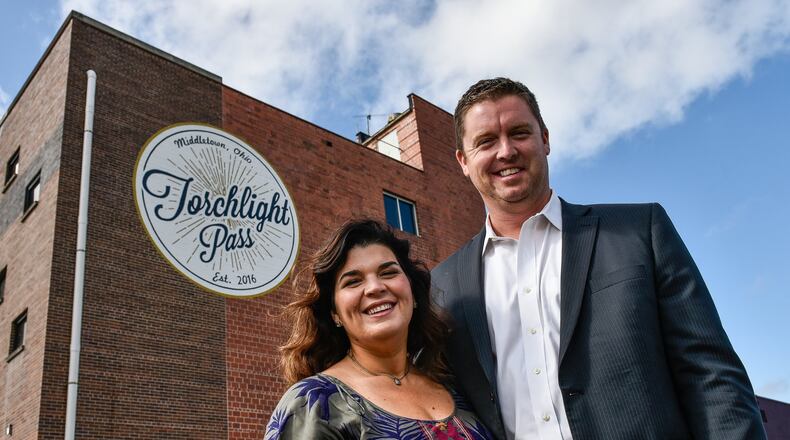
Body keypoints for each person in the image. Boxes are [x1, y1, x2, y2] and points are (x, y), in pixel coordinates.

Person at [431, 77, 767, 440]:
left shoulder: (640, 232)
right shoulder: (443, 286)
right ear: (463, 161)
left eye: (519, 133)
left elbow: (713, 379)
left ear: (545, 139)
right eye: (486, 142)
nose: (506, 151)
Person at [265, 219, 493, 439]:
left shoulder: (454, 383)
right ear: (334, 313)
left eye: (388, 273)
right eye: (353, 281)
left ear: (413, 294)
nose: (375, 287)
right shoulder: (313, 404)